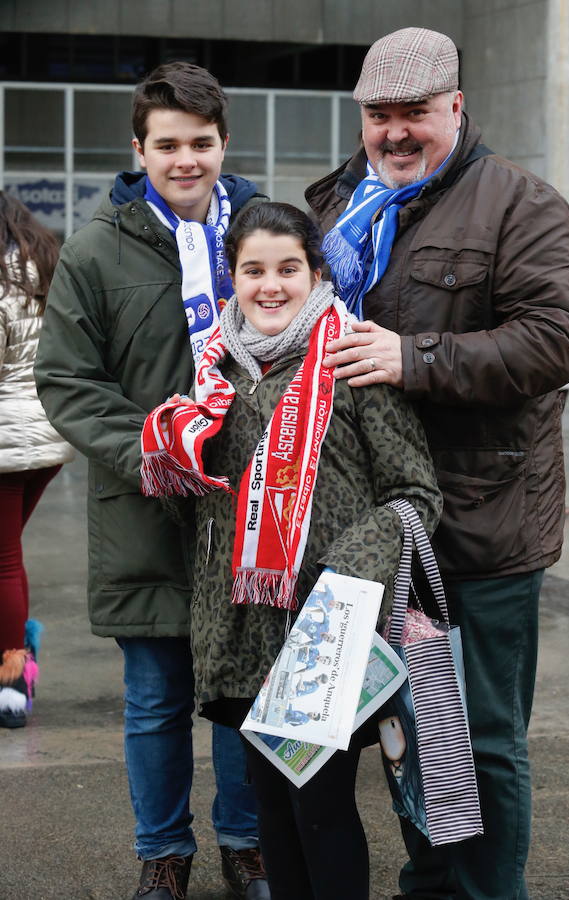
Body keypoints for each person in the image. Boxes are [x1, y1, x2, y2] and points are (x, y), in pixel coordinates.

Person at [306, 26, 569, 900]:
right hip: (378, 528)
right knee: (411, 725)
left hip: (482, 522)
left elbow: (557, 340)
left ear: (457, 108)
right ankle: (432, 883)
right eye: (379, 115)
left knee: (483, 738)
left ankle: (487, 892)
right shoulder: (338, 203)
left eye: (415, 115)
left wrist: (413, 358)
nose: (395, 132)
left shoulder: (521, 205)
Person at [139, 201, 442, 900]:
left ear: (314, 273)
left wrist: (346, 569)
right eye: (253, 270)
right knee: (268, 807)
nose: (270, 286)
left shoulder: (350, 359)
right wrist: (171, 446)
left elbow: (416, 494)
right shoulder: (216, 373)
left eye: (287, 269)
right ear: (232, 279)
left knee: (321, 809)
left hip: (322, 633)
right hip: (238, 627)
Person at [34, 63, 269, 900]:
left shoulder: (271, 233)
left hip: (252, 509)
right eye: (167, 145)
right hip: (146, 507)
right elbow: (66, 380)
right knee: (157, 699)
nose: (186, 160)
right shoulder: (98, 246)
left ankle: (249, 845)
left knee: (245, 695)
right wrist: (151, 454)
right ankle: (163, 853)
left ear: (223, 143)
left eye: (201, 143)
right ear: (139, 149)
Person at [0, 193, 74, 729]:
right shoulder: (42, 262)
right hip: (46, 433)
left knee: (2, 558)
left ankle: (11, 680)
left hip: (8, 437)